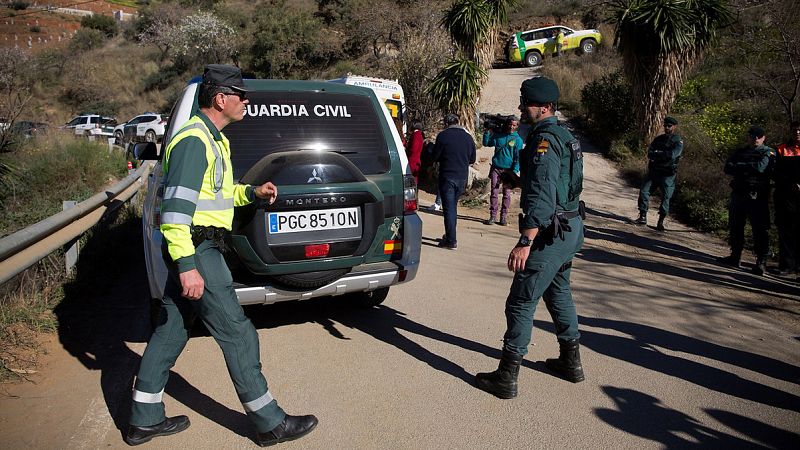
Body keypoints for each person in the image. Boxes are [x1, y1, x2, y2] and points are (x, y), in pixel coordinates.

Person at [126, 65, 318, 447]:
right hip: (197, 248)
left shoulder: (214, 140)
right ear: (220, 99)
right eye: (240, 95)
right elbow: (177, 212)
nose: (246, 101)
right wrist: (187, 267)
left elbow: (218, 194)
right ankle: (270, 423)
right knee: (238, 332)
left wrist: (252, 194)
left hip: (202, 244)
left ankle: (143, 419)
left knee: (171, 330)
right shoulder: (195, 140)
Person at [475, 75, 585, 399]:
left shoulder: (544, 141)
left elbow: (542, 193)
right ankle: (571, 362)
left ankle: (506, 378)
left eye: (528, 104)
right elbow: (555, 184)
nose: (522, 108)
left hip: (551, 235)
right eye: (523, 102)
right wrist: (518, 180)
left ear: (546, 107)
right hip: (570, 228)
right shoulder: (564, 136)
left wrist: (525, 241)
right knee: (558, 292)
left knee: (521, 300)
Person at [717, 125, 773, 276]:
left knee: (759, 230)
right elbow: (728, 168)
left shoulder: (768, 153)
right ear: (748, 137)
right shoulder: (741, 151)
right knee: (735, 226)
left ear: (763, 138)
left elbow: (760, 168)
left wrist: (740, 166)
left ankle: (761, 262)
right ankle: (735, 256)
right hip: (739, 194)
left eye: (758, 136)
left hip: (757, 196)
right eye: (752, 136)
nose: (755, 138)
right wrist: (748, 167)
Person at [429, 113, 476, 250]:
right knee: (452, 208)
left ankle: (451, 240)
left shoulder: (443, 136)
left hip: (447, 176)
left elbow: (435, 156)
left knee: (448, 209)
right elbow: (472, 159)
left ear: (446, 123)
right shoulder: (468, 138)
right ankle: (450, 235)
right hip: (462, 177)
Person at [632, 116, 684, 231]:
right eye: (665, 126)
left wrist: (659, 154)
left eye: (669, 126)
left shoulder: (677, 141)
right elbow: (650, 153)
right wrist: (661, 154)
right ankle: (643, 216)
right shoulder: (659, 139)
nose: (666, 128)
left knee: (666, 197)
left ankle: (660, 221)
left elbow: (672, 155)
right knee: (644, 191)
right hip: (654, 171)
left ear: (674, 127)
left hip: (667, 174)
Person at [771, 121, 800, 277]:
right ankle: (787, 265)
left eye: (799, 130)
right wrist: (790, 184)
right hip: (785, 197)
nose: (797, 133)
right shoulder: (781, 149)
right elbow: (774, 172)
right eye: (795, 130)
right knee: (786, 231)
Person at [483, 116, 523, 226]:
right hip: (496, 167)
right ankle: (493, 216)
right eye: (510, 124)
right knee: (494, 192)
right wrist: (487, 132)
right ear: (507, 124)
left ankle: (503, 217)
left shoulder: (518, 140)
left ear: (517, 126)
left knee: (507, 194)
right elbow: (487, 143)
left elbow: (517, 157)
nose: (512, 127)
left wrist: (515, 170)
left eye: (514, 125)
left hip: (509, 170)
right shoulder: (498, 136)